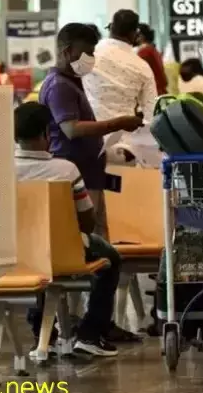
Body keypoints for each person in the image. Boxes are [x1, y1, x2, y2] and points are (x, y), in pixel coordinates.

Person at [14, 102, 131, 357]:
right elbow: (87, 222)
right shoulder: (65, 170)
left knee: (37, 264)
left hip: (17, 255)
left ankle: (42, 335)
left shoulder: (0, 172)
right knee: (111, 259)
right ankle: (90, 334)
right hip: (63, 251)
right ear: (46, 133)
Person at [39, 22, 142, 240]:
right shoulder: (59, 86)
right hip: (76, 176)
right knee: (87, 239)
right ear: (67, 51)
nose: (91, 59)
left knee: (99, 236)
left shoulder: (71, 82)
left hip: (89, 174)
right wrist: (118, 123)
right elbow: (71, 129)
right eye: (87, 53)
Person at [83, 10, 159, 167]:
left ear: (111, 27)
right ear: (135, 33)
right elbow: (152, 113)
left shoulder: (87, 56)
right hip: (124, 148)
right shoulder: (141, 67)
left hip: (88, 141)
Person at [136, 23, 168, 96]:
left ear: (141, 36)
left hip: (152, 91)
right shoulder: (153, 50)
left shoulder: (144, 52)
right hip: (159, 90)